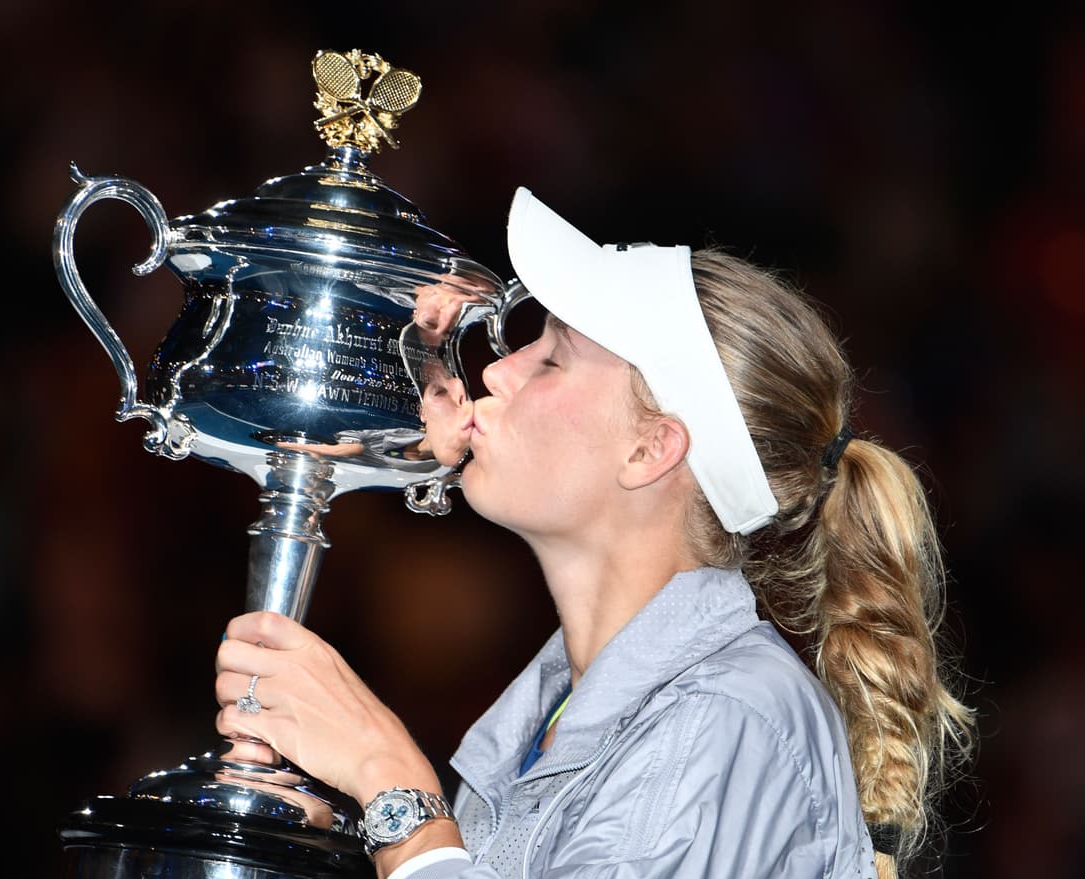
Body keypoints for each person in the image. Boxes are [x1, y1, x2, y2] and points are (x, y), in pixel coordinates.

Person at [214, 187, 974, 879]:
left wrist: (392, 784)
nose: (500, 373)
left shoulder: (725, 716)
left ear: (652, 449)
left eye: (551, 359)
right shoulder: (562, 712)